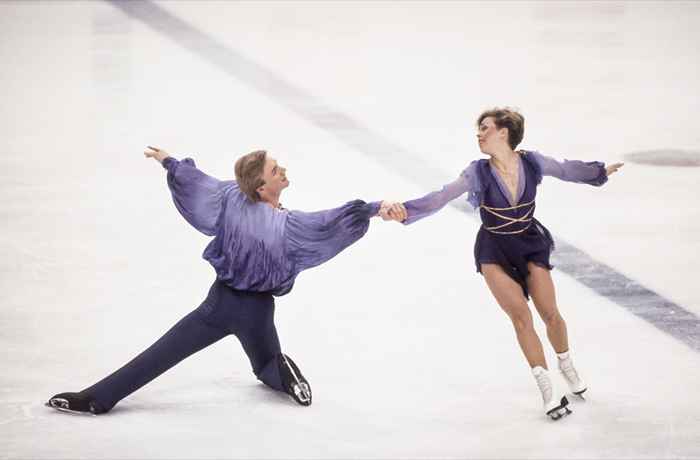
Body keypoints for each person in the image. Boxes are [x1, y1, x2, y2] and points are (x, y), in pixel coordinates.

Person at [46, 146, 406, 415]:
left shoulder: (231, 199)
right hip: (259, 312)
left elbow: (196, 184)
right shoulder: (287, 225)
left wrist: (170, 162)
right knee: (265, 364)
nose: (282, 170)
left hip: (220, 306)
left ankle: (97, 398)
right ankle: (286, 374)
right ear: (263, 187)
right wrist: (375, 208)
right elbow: (328, 222)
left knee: (160, 355)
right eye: (275, 169)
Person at [381, 108, 623, 420]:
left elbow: (565, 169)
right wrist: (406, 211)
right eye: (478, 130)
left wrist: (599, 171)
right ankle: (548, 390)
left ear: (504, 132)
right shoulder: (477, 172)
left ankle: (566, 364)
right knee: (522, 317)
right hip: (494, 249)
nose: (479, 134)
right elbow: (441, 197)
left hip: (530, 243)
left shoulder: (532, 162)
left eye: (485, 128)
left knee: (551, 315)